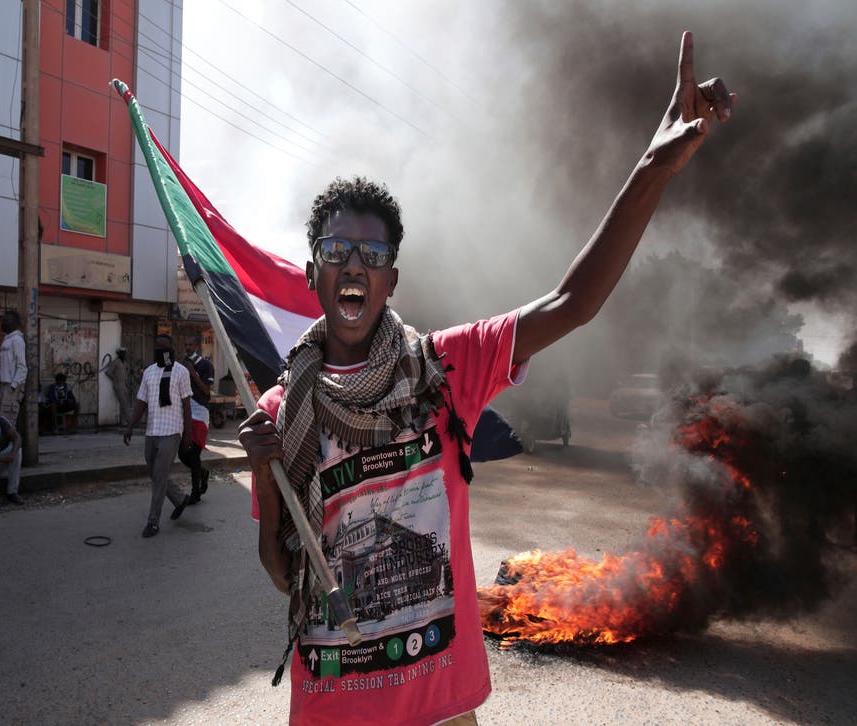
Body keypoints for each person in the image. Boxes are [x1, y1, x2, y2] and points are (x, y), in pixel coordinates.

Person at [238, 32, 733, 724]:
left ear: (390, 279)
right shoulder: (282, 409)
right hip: (333, 707)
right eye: (336, 250)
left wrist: (654, 166)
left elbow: (572, 304)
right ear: (315, 272)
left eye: (372, 253)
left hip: (443, 707)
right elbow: (283, 571)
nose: (354, 264)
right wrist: (265, 474)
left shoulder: (444, 369)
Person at [123, 333, 193, 538]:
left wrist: (188, 433)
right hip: (152, 431)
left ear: (171, 349)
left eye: (165, 347)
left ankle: (153, 522)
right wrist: (130, 427)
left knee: (160, 474)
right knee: (155, 473)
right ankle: (180, 499)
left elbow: (187, 405)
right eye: (158, 347)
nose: (161, 351)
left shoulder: (180, 372)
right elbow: (141, 403)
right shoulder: (149, 373)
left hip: (171, 431)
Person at [178, 333, 213, 503]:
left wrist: (192, 372)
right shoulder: (182, 364)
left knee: (193, 453)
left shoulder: (206, 365)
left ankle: (195, 493)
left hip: (200, 413)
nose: (187, 348)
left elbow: (206, 391)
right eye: (186, 345)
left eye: (190, 345)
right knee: (182, 453)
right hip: (185, 413)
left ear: (197, 346)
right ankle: (203, 472)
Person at [0, 309, 27, 426]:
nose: (3, 323)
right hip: (4, 385)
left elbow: (22, 367)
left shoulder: (17, 340)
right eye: (3, 320)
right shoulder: (7, 340)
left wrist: (13, 386)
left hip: (11, 386)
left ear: (14, 323)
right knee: (3, 420)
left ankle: (13, 445)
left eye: (7, 320)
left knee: (8, 422)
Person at [105, 347, 131, 426]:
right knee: (124, 403)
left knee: (124, 403)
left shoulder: (125, 363)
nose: (124, 354)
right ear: (119, 354)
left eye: (124, 353)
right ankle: (129, 421)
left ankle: (123, 422)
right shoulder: (115, 362)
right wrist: (115, 379)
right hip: (118, 385)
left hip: (124, 384)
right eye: (122, 353)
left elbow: (126, 373)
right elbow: (108, 372)